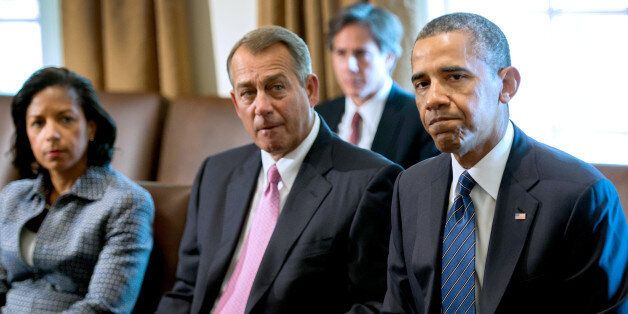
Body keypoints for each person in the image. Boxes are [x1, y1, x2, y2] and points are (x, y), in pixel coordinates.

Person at [383, 12, 628, 313]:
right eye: (422, 83)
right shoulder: (410, 187)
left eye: (455, 77)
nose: (433, 98)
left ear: (507, 85)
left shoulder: (580, 195)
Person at [157, 26, 401, 313]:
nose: (261, 107)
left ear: (310, 89)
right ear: (236, 104)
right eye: (248, 93)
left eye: (276, 87)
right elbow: (187, 289)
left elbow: (374, 304)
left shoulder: (369, 182)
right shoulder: (216, 172)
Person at [0, 67, 154, 312]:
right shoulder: (12, 197)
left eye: (65, 119)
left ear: (91, 128)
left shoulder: (126, 202)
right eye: (38, 123)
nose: (51, 135)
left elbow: (104, 306)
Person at [315, 3, 438, 169]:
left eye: (361, 53)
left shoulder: (419, 116)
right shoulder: (320, 116)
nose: (349, 66)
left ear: (389, 57)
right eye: (341, 53)